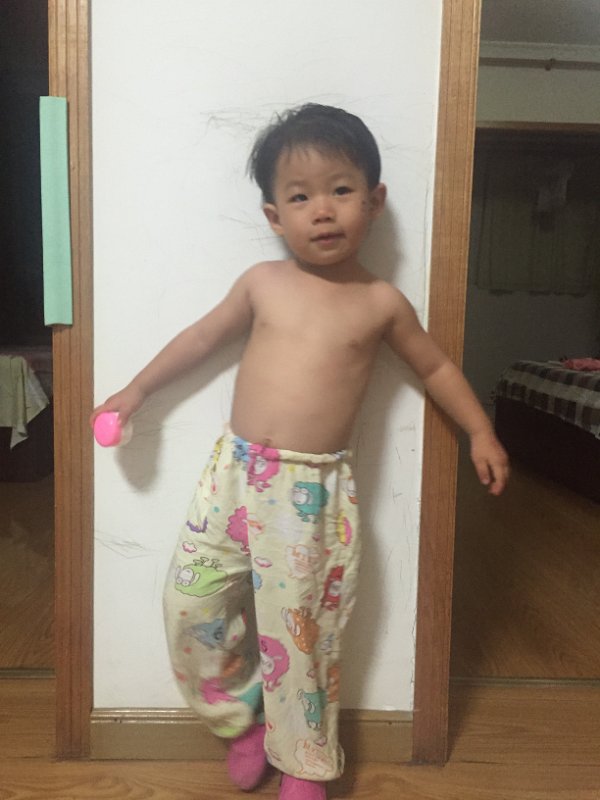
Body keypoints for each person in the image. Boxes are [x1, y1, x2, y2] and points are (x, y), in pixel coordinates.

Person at [91, 104, 509, 800]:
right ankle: (241, 721)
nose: (322, 210)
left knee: (303, 637)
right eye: (300, 196)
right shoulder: (262, 283)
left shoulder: (381, 302)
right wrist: (135, 392)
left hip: (310, 497)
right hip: (233, 476)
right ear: (274, 215)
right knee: (190, 605)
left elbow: (435, 368)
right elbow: (200, 339)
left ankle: (303, 764)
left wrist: (479, 431)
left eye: (341, 190)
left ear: (374, 200)